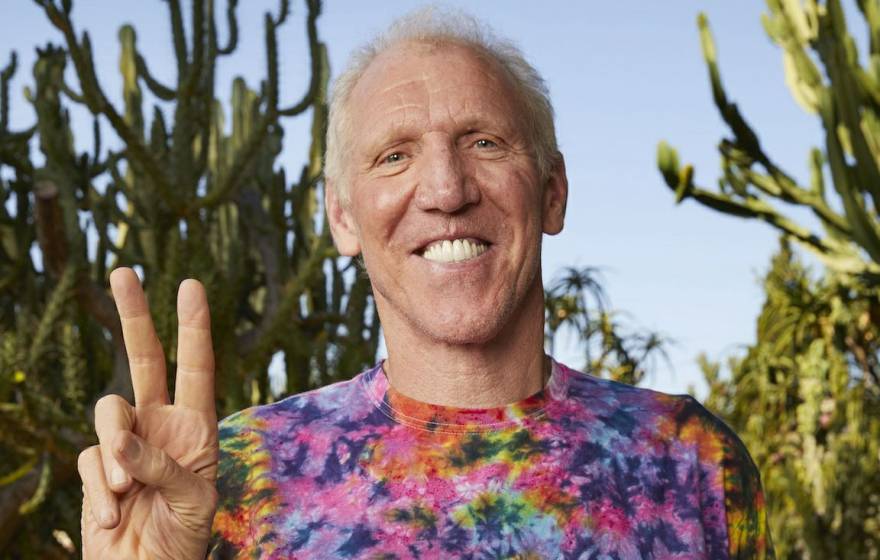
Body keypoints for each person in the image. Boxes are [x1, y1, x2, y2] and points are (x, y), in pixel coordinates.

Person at [77, 8, 775, 560]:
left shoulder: (687, 461)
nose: (445, 189)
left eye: (484, 143)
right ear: (342, 216)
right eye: (394, 155)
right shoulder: (232, 478)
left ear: (554, 192)